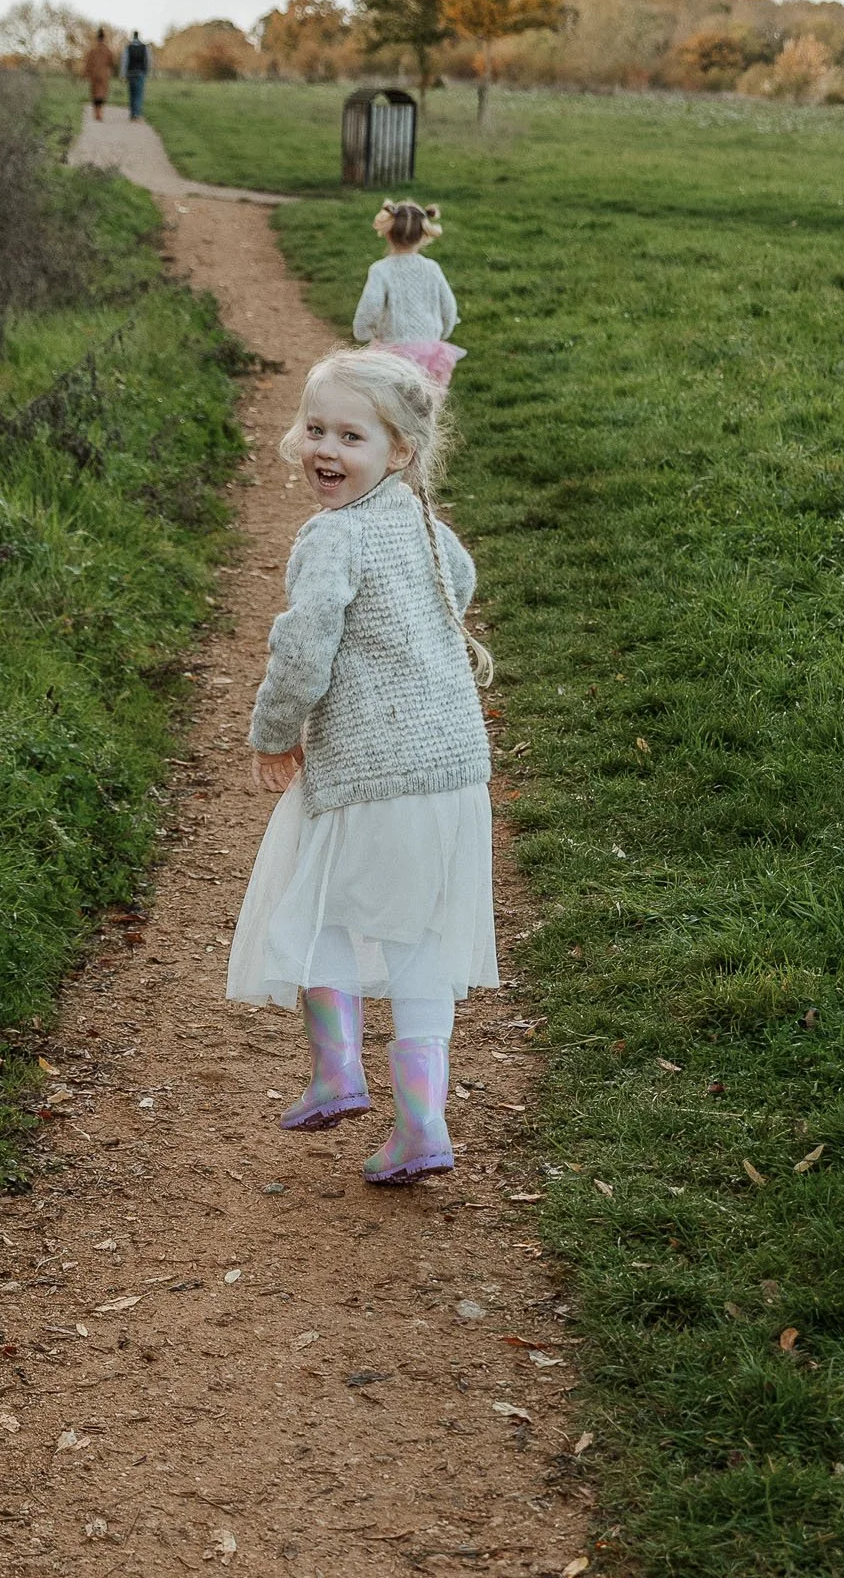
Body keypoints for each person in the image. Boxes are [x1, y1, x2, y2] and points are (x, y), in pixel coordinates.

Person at [224, 347, 495, 1185]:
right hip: (452, 770)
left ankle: (338, 1072)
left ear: (400, 452)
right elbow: (460, 581)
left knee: (313, 912)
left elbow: (302, 650)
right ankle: (421, 1127)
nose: (326, 451)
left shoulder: (331, 537)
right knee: (419, 947)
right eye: (315, 430)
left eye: (351, 436)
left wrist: (272, 731)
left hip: (371, 770)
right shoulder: (424, 525)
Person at [352, 200, 464, 387]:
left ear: (388, 234)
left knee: (394, 404)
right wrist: (442, 333)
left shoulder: (381, 270)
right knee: (426, 403)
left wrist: (362, 332)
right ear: (423, 236)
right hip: (429, 353)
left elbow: (371, 305)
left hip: (393, 354)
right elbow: (449, 306)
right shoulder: (432, 268)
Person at [81, 28, 116, 120]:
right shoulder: (108, 50)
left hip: (94, 75)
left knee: (94, 93)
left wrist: (85, 74)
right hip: (104, 75)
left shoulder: (93, 50)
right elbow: (111, 63)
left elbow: (88, 63)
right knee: (102, 93)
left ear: (97, 38)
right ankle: (100, 112)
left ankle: (96, 112)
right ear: (104, 38)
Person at [124, 29, 152, 120]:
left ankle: (132, 113)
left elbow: (124, 61)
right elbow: (148, 60)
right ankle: (137, 114)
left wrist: (123, 74)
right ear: (139, 36)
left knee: (132, 93)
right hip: (140, 72)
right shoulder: (144, 47)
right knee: (139, 94)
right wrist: (147, 71)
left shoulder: (128, 47)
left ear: (133, 36)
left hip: (131, 73)